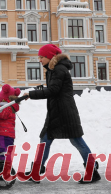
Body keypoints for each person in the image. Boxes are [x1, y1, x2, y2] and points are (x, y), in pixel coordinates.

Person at [22, 44, 101, 184]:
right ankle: (37, 170)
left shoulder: (59, 69)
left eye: (41, 57)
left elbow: (53, 91)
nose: (39, 60)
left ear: (49, 57)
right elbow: (54, 89)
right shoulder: (53, 70)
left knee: (76, 140)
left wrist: (31, 94)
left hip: (64, 112)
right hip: (56, 111)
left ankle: (92, 170)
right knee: (45, 139)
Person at [0, 84, 21, 167]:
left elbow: (2, 114)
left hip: (5, 133)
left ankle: (5, 168)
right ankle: (3, 167)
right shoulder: (9, 105)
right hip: (6, 133)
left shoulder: (8, 106)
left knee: (4, 151)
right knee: (4, 151)